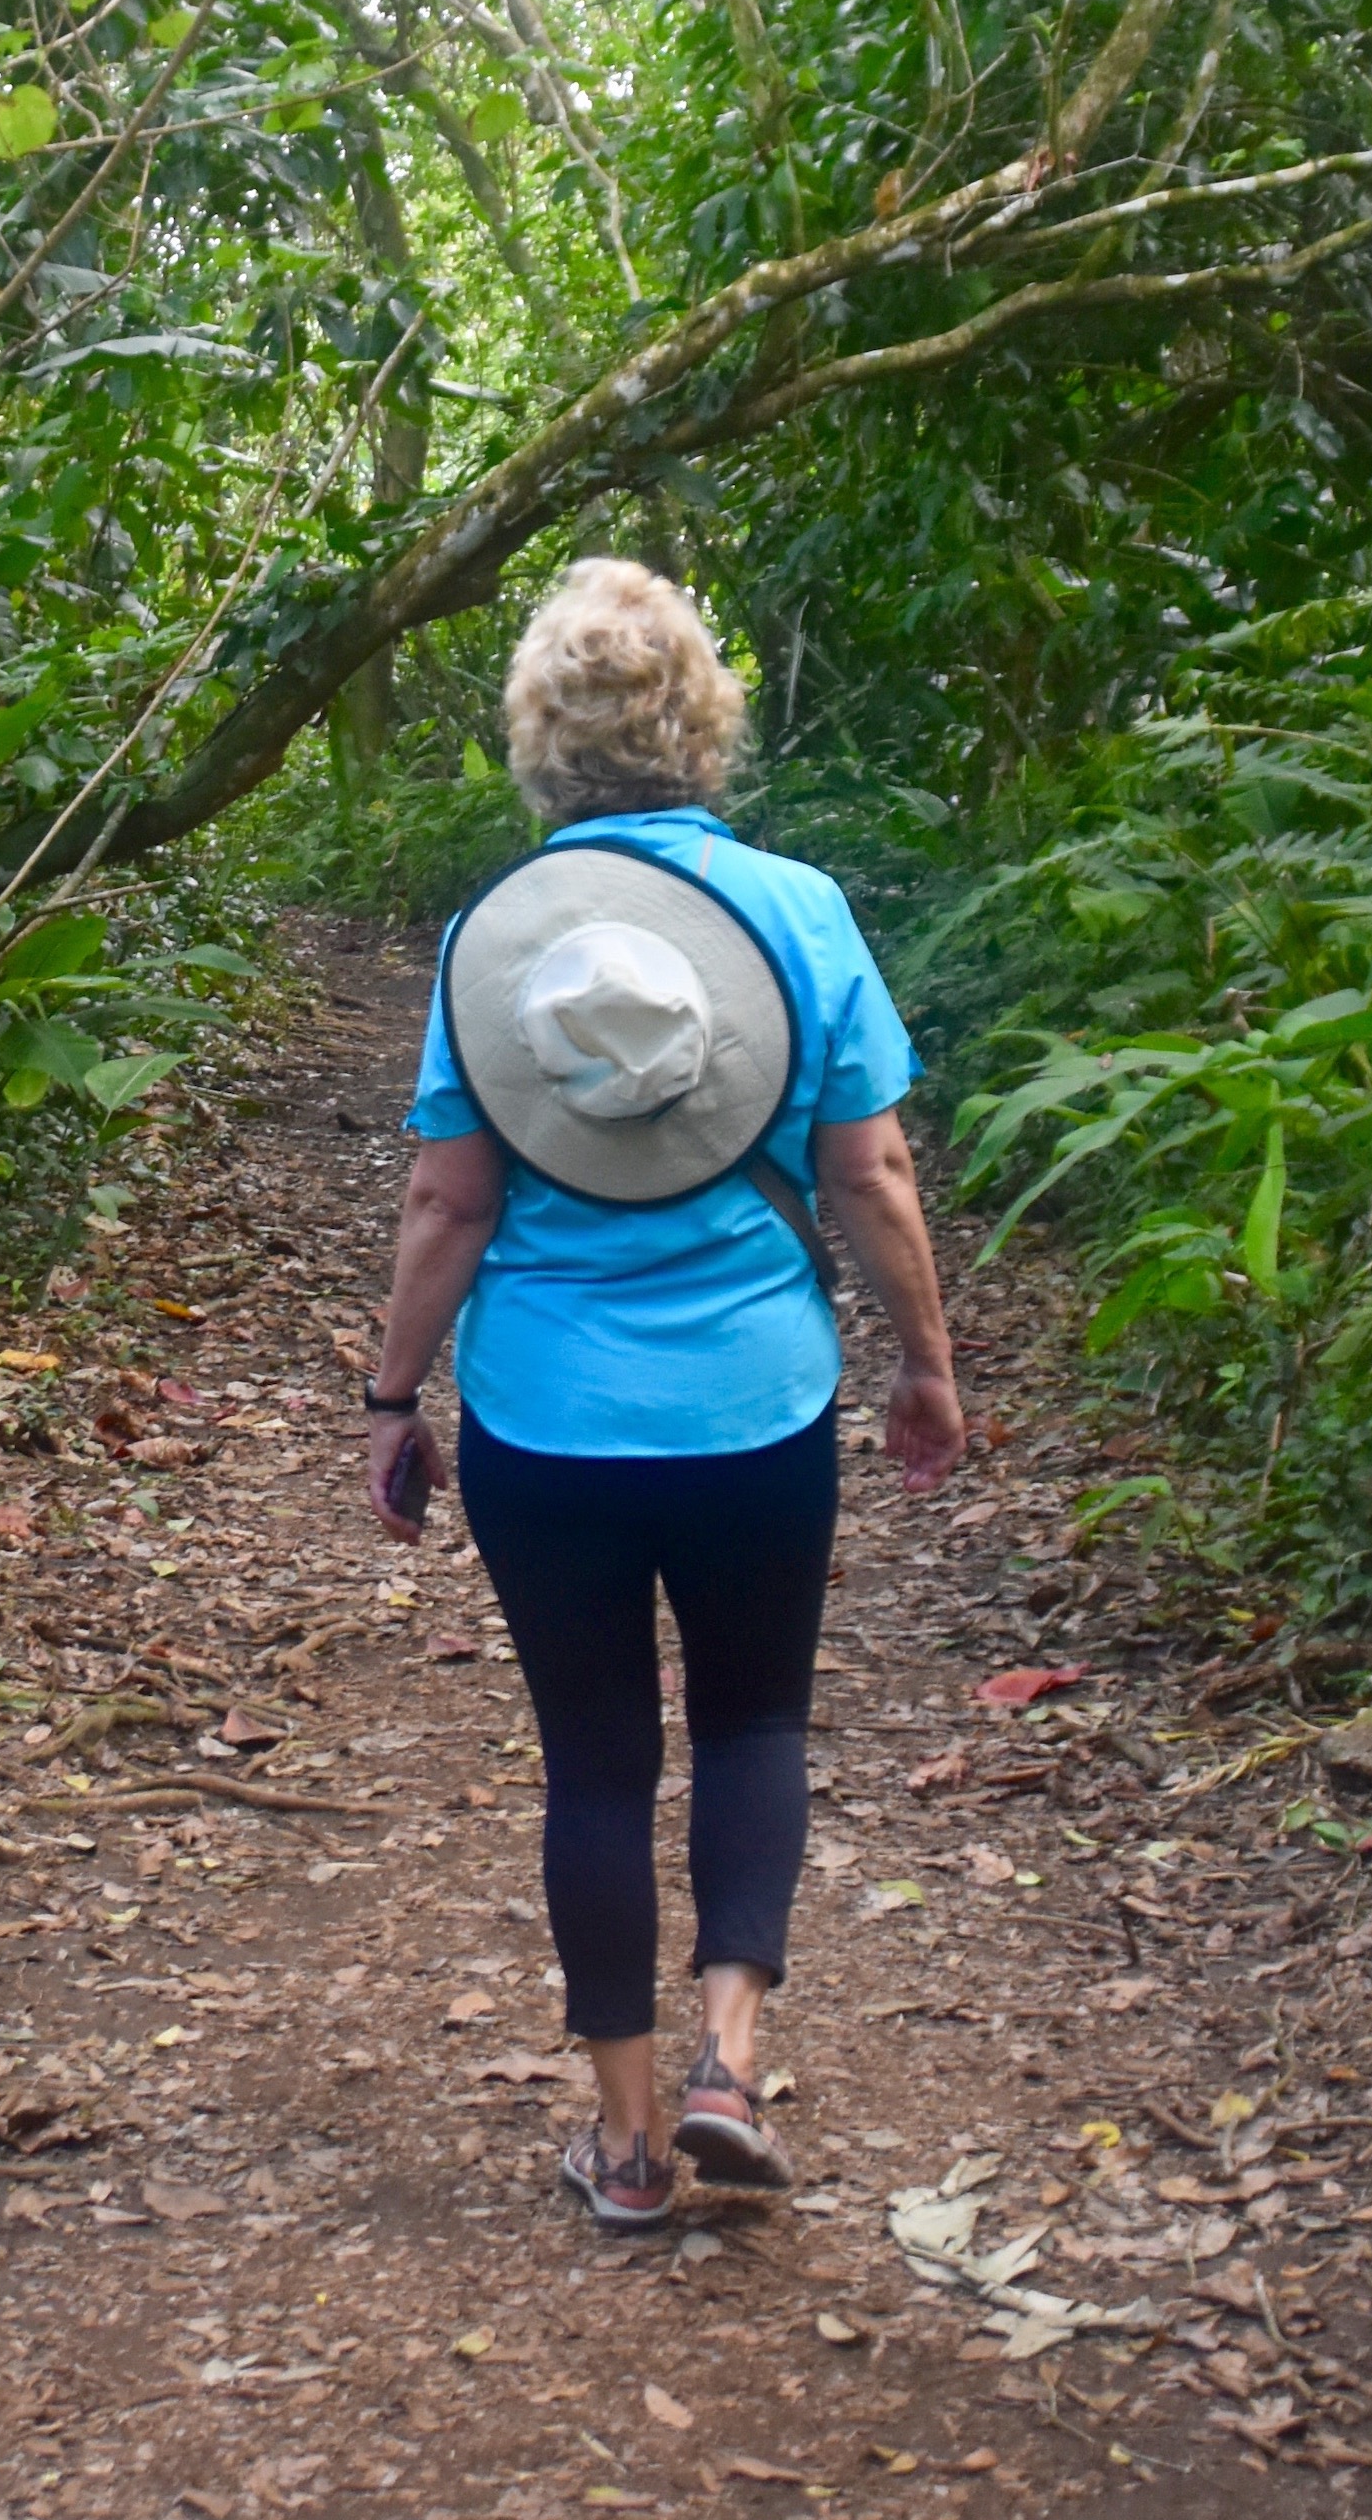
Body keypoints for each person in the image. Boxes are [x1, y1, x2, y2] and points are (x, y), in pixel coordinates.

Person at [358, 558, 967, 2238]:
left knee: (596, 1763)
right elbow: (873, 1169)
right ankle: (727, 2058)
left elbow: (447, 1204)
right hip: (757, 1406)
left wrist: (388, 1398)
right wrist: (922, 1361)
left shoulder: (491, 937)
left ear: (538, 738)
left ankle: (624, 2148)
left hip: (547, 1421)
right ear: (704, 722)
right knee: (757, 1720)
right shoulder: (799, 909)